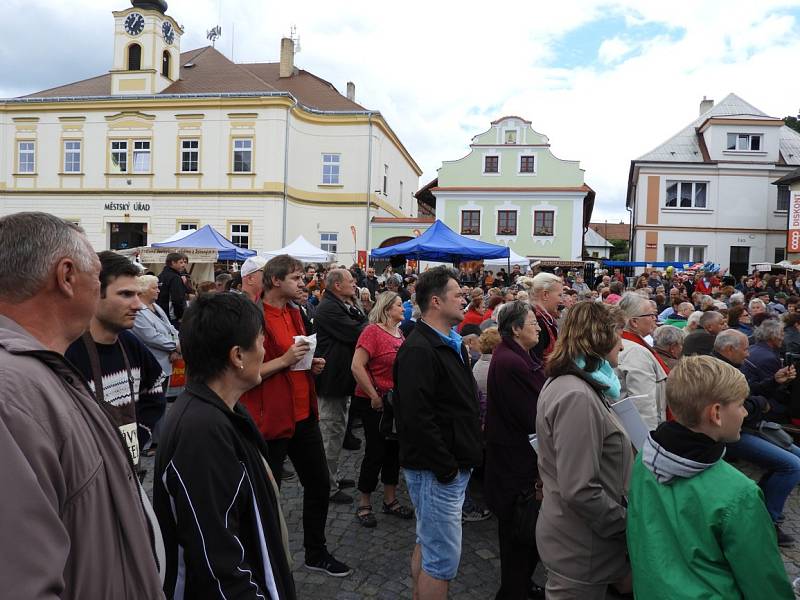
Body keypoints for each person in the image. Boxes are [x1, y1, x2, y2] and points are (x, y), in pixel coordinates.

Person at [0, 212, 164, 598]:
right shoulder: (12, 392)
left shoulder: (40, 371)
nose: (137, 304)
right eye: (96, 269)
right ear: (67, 276)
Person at [154, 293, 296, 599]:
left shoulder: (224, 412)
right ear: (237, 356)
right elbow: (216, 561)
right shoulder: (203, 430)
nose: (265, 349)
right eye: (260, 341)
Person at [627, 355, 795, 599]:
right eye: (740, 405)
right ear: (716, 413)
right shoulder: (739, 493)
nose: (745, 413)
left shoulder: (645, 458)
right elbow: (764, 581)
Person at [239, 255, 352, 577]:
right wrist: (287, 360)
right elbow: (246, 373)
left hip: (303, 415)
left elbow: (293, 360)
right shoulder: (253, 316)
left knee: (318, 484)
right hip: (271, 419)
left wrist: (307, 366)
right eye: (298, 278)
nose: (304, 283)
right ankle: (263, 557)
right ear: (276, 281)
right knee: (265, 495)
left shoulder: (297, 312)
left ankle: (316, 552)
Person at [394, 266, 482, 600]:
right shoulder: (420, 349)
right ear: (435, 301)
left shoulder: (450, 342)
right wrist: (445, 468)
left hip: (446, 467)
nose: (465, 298)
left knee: (429, 543)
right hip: (437, 471)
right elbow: (416, 419)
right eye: (458, 294)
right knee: (441, 561)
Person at [536, 301, 632, 599]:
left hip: (586, 540)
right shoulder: (577, 395)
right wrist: (630, 524)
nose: (622, 344)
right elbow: (580, 489)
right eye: (618, 333)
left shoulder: (582, 384)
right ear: (600, 337)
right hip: (581, 546)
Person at [66, 251, 166, 465]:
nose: (138, 304)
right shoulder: (68, 353)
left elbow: (156, 386)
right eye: (126, 294)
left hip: (129, 470)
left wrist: (140, 434)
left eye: (138, 295)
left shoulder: (131, 344)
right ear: (94, 293)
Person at [712, 329, 800, 546]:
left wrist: (775, 381)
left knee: (796, 456)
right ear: (729, 349)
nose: (749, 354)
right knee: (792, 465)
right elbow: (735, 407)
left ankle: (761, 505)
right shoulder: (720, 371)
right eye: (745, 349)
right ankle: (767, 522)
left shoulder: (730, 366)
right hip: (731, 434)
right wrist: (761, 404)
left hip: (747, 426)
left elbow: (748, 393)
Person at [485, 301, 545, 600]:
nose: (538, 327)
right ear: (516, 329)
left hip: (517, 459)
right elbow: (533, 415)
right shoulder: (511, 361)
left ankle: (518, 585)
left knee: (522, 539)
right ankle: (512, 591)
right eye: (532, 322)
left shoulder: (520, 355)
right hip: (515, 464)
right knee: (518, 536)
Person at [350, 292, 414, 528]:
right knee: (375, 451)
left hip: (395, 403)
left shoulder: (400, 333)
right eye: (399, 305)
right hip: (375, 403)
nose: (403, 309)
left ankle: (390, 499)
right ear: (388, 309)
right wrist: (374, 395)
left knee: (393, 452)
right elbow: (357, 366)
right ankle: (364, 502)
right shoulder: (372, 332)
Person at [314, 268, 368, 502]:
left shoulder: (342, 303)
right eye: (350, 280)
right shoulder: (328, 308)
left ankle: (332, 477)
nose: (354, 283)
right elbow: (357, 331)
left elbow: (362, 321)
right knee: (330, 432)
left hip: (339, 379)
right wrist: (363, 321)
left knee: (337, 429)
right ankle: (327, 486)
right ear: (337, 285)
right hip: (330, 380)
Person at [132, 273, 180, 454]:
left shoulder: (156, 307)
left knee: (160, 402)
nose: (159, 290)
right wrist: (175, 347)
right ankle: (150, 441)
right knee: (151, 402)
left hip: (166, 361)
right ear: (143, 290)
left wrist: (175, 346)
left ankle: (159, 439)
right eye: (155, 287)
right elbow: (150, 337)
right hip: (153, 362)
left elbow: (171, 329)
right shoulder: (139, 310)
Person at [615, 292, 668, 429]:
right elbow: (642, 404)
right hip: (638, 434)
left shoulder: (624, 344)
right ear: (634, 322)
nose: (654, 319)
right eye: (651, 315)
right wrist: (648, 441)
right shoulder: (636, 352)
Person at [528, 272, 562, 360]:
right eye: (559, 295)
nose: (561, 301)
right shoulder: (536, 322)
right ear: (545, 295)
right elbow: (536, 363)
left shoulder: (543, 319)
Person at [157, 251, 189, 328]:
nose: (183, 265)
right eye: (181, 262)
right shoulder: (175, 278)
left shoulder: (160, 276)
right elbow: (177, 299)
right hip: (173, 317)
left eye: (184, 262)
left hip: (161, 313)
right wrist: (181, 315)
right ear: (173, 263)